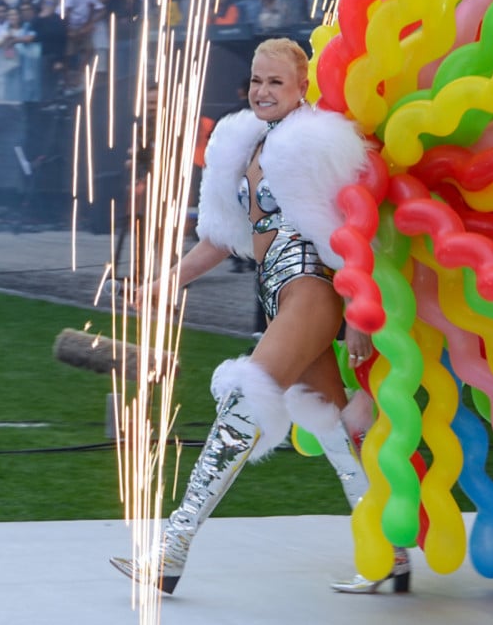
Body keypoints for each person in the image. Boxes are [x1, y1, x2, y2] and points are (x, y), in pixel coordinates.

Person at [110, 38, 407, 595]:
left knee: (245, 396)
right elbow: (222, 238)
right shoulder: (240, 142)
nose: (263, 91)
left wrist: (360, 312)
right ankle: (391, 551)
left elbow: (353, 229)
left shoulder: (317, 141)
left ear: (301, 88)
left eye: (276, 82)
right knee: (336, 425)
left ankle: (172, 548)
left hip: (312, 288)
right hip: (278, 293)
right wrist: (162, 283)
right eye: (256, 81)